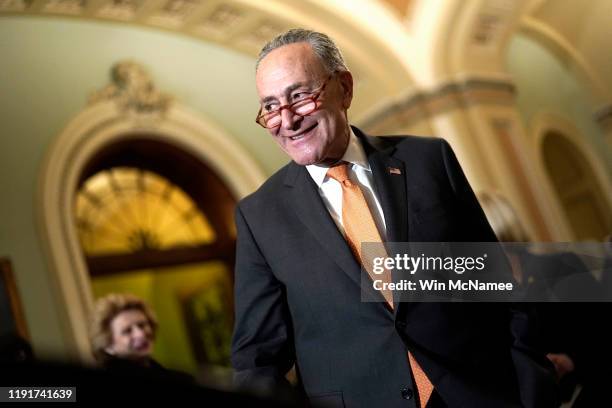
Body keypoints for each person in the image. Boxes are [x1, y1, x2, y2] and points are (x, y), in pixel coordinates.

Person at [231, 28, 557, 408]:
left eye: (300, 96)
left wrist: (534, 388)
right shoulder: (259, 216)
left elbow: (498, 286)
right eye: (270, 107)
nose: (286, 120)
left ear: (345, 88)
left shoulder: (429, 161)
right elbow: (257, 359)